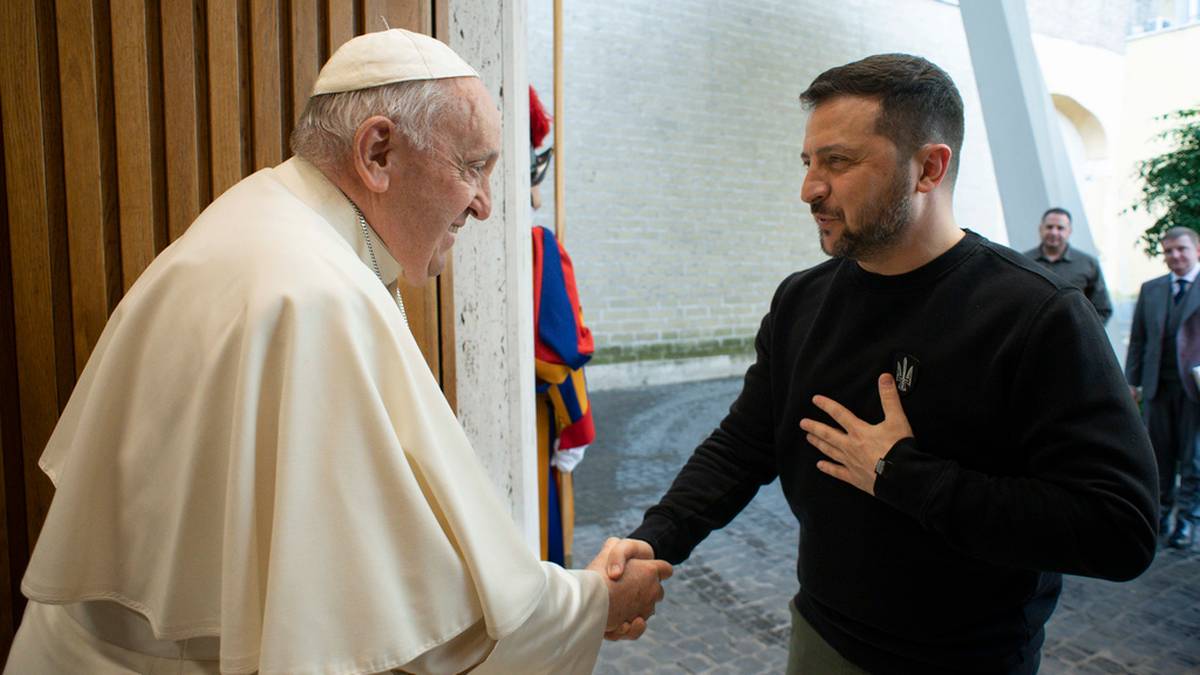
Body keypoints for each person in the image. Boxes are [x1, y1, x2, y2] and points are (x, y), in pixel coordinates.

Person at [5, 29, 670, 675]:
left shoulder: (257, 219)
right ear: (378, 151)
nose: (486, 206)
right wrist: (595, 603)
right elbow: (419, 626)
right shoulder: (316, 294)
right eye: (472, 167)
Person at [606, 53, 1157, 674]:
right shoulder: (802, 300)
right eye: (809, 162)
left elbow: (1121, 528)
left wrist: (904, 475)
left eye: (838, 162)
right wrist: (653, 540)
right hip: (821, 634)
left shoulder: (1038, 316)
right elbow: (745, 443)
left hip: (968, 660)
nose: (810, 188)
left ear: (928, 167)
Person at [1126, 226, 1200, 550]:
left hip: (1195, 391)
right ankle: (1158, 515)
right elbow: (1139, 339)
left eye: (1181, 249)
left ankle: (1187, 521)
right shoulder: (1151, 289)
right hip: (1158, 387)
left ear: (1197, 250)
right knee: (1158, 457)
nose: (1175, 256)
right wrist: (1132, 381)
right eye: (1168, 251)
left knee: (1194, 459)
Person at [1023, 207, 1113, 324]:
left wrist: (1083, 334)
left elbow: (1102, 309)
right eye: (1049, 227)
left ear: (1069, 231)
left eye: (1060, 228)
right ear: (1041, 229)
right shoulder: (1023, 261)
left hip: (1074, 338)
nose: (1054, 232)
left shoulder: (1088, 264)